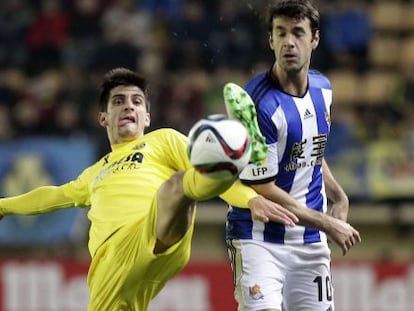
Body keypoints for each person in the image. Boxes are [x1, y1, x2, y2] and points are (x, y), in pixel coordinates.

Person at [0, 67, 298, 310]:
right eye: (118, 101)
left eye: (136, 101)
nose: (128, 105)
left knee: (180, 183)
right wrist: (4, 206)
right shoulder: (94, 173)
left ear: (147, 117)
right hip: (110, 265)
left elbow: (197, 175)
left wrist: (249, 200)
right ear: (103, 117)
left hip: (157, 231)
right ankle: (236, 150)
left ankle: (234, 151)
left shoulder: (162, 140)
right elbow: (52, 196)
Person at [221, 1, 362, 310]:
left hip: (309, 242)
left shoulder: (323, 89)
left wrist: (339, 196)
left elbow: (311, 150)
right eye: (280, 33)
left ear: (315, 39)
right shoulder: (260, 104)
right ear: (270, 40)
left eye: (298, 32)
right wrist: (327, 223)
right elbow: (264, 187)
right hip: (259, 238)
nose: (289, 42)